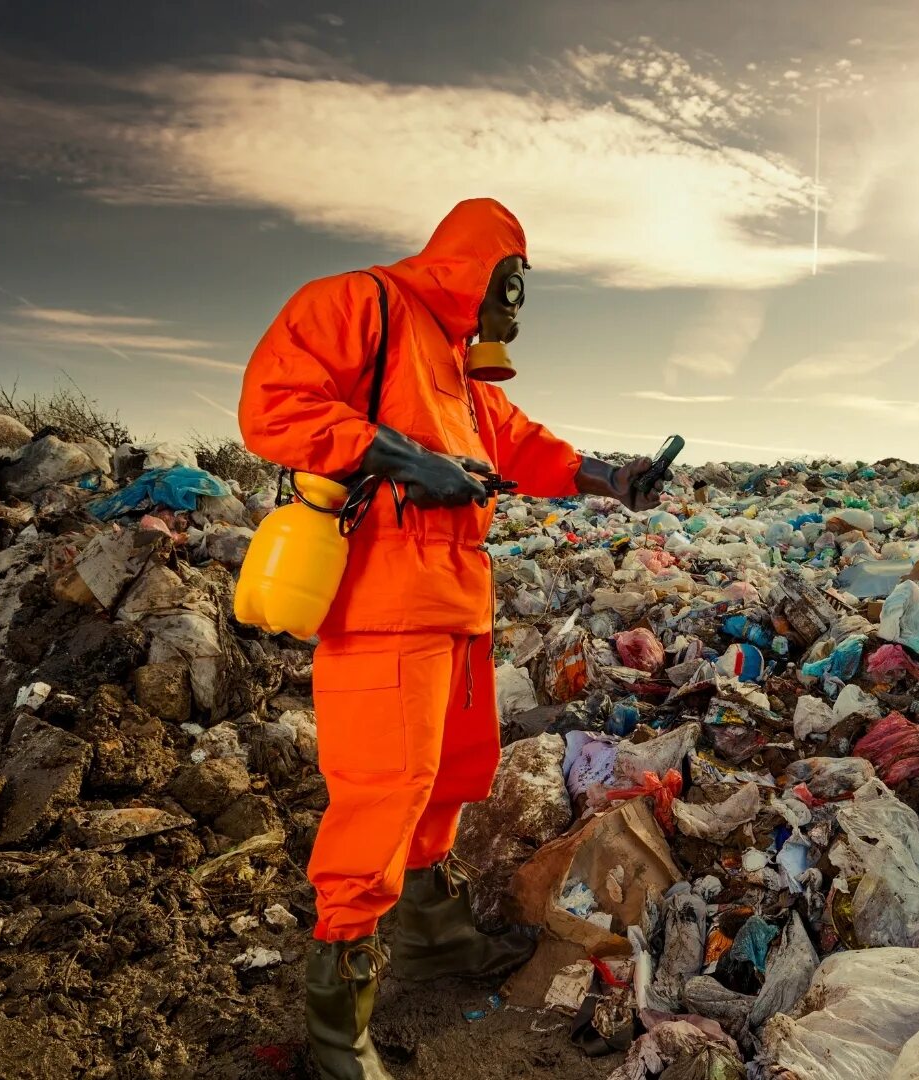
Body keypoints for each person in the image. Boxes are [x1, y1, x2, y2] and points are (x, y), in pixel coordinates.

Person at [237, 198, 666, 1079]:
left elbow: (522, 446)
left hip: (456, 604)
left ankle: (433, 933)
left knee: (456, 772)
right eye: (515, 287)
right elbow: (272, 407)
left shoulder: (460, 372)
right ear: (488, 274)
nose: (518, 309)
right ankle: (337, 1026)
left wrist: (611, 475)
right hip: (381, 603)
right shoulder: (359, 304)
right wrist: (400, 457)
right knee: (382, 793)